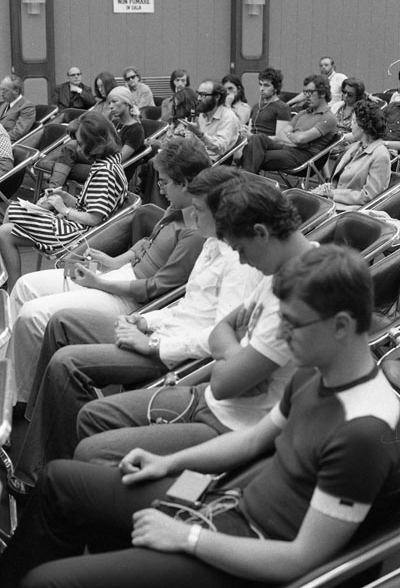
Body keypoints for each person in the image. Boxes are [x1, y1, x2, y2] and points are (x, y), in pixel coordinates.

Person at [2, 244, 400, 588]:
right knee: (59, 480)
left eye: (293, 325)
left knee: (45, 581)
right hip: (221, 499)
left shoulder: (365, 433)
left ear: (341, 326)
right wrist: (168, 462)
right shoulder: (313, 377)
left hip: (242, 551)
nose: (281, 335)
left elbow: (299, 559)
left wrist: (185, 537)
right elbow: (251, 441)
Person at [9, 167, 261, 491]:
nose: (192, 216)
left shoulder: (238, 263)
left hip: (173, 353)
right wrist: (145, 321)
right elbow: (186, 306)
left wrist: (153, 345)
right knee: (61, 322)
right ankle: (37, 429)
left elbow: (217, 335)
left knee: (67, 362)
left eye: (199, 210)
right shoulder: (212, 243)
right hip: (160, 329)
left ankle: (38, 474)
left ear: (222, 213)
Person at [74, 172, 315, 467]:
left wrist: (162, 345)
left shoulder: (293, 293)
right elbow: (221, 330)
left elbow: (223, 374)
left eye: (241, 249)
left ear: (261, 234)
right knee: (92, 416)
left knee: (86, 450)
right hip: (208, 394)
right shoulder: (277, 268)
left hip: (228, 417)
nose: (241, 258)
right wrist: (149, 324)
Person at [7, 138, 210, 405]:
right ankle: (17, 383)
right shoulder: (179, 207)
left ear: (184, 183)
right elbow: (147, 242)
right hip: (122, 275)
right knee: (25, 286)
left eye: (164, 183)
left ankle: (21, 399)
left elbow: (155, 288)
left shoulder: (196, 232)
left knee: (34, 314)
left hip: (132, 298)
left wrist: (100, 283)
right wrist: (115, 262)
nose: (159, 189)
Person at [0, 112, 128, 291]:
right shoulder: (108, 165)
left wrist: (64, 209)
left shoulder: (105, 172)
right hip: (78, 228)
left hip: (79, 234)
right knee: (5, 232)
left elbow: (94, 218)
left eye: (81, 144)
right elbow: (90, 207)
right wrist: (66, 197)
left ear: (96, 144)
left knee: (15, 210)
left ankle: (7, 282)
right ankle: (11, 286)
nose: (78, 149)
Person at [47, 86, 145, 189]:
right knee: (68, 151)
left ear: (126, 103)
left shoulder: (136, 129)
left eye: (114, 102)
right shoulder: (115, 122)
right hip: (98, 161)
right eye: (109, 103)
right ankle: (53, 189)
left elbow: (118, 159)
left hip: (110, 171)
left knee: (65, 160)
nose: (111, 106)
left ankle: (52, 189)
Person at [240, 74, 337, 174]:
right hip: (289, 148)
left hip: (305, 157)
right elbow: (281, 136)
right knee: (257, 138)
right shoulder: (303, 113)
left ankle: (244, 180)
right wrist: (296, 139)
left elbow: (301, 139)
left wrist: (292, 136)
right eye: (305, 92)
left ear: (323, 93)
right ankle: (247, 179)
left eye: (310, 92)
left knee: (255, 155)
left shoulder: (328, 118)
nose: (306, 96)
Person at [312, 100, 390, 208]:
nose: (350, 126)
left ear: (363, 127)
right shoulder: (356, 146)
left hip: (350, 210)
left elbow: (369, 196)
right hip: (336, 203)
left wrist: (334, 193)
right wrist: (328, 188)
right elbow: (341, 182)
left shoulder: (380, 155)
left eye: (353, 121)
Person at [182, 80, 240, 161]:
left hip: (213, 162)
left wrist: (200, 134)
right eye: (198, 94)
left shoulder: (228, 117)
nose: (199, 98)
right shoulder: (202, 115)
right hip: (197, 156)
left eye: (203, 95)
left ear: (217, 97)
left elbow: (220, 148)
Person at [0, 74, 35, 142]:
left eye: (5, 90)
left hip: (8, 142)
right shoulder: (4, 104)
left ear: (16, 91)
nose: (2, 94)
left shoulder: (27, 107)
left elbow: (18, 133)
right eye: (1, 90)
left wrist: (1, 138)